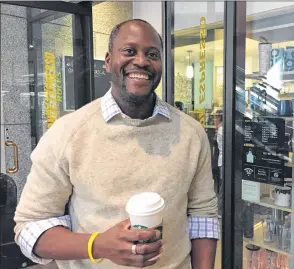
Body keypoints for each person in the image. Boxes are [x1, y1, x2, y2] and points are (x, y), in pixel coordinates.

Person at [14, 19, 219, 269]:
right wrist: (98, 245)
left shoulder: (192, 133)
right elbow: (30, 226)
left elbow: (203, 216)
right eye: (130, 51)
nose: (142, 61)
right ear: (109, 60)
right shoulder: (68, 133)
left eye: (152, 54)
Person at [214, 111, 223, 215]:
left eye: (216, 118)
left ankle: (220, 210)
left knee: (222, 187)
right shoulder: (221, 130)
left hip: (222, 162)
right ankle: (220, 210)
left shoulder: (221, 130)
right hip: (222, 162)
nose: (214, 120)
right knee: (222, 187)